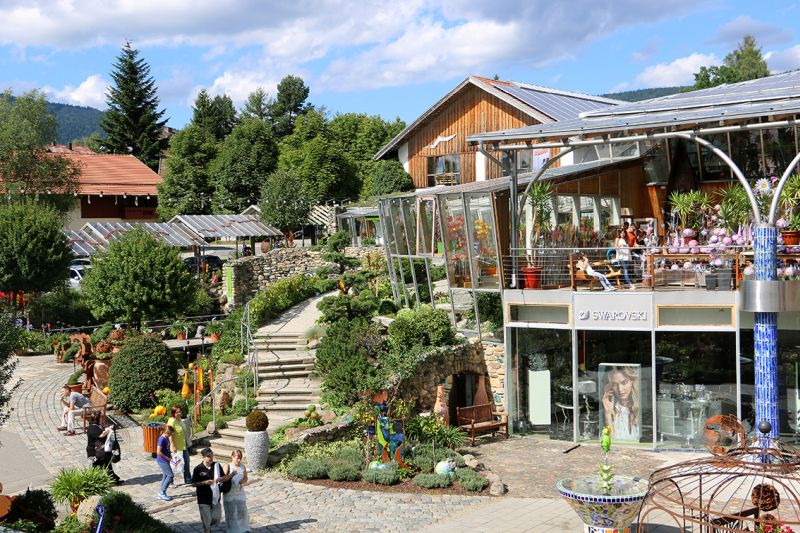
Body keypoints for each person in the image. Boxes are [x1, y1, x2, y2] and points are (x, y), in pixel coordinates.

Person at [192, 448, 234, 533]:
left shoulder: (217, 465)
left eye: (212, 455)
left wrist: (224, 478)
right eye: (208, 456)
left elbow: (223, 477)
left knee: (216, 519)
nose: (211, 458)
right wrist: (204, 482)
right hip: (203, 499)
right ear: (203, 457)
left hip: (215, 498)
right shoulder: (198, 469)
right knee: (207, 525)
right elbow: (194, 484)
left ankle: (208, 525)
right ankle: (207, 529)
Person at [602, 366, 641, 441]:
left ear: (632, 381)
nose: (620, 389)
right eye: (614, 384)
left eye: (624, 382)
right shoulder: (612, 411)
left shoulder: (641, 407)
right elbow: (610, 444)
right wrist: (607, 413)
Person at [86, 412, 122, 484]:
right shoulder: (92, 428)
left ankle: (113, 480)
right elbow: (101, 435)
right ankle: (95, 482)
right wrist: (109, 429)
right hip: (95, 451)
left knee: (106, 465)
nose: (103, 419)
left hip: (99, 450)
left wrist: (107, 428)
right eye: (102, 417)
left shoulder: (95, 426)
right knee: (98, 467)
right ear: (98, 418)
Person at [223, 449, 250, 533]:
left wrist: (242, 481)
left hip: (239, 492)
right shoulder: (227, 466)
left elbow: (246, 478)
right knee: (230, 513)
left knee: (242, 511)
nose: (238, 460)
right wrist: (231, 475)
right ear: (232, 457)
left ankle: (243, 529)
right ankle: (232, 530)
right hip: (229, 493)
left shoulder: (242, 466)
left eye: (240, 458)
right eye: (237, 458)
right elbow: (223, 479)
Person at [167, 406, 191, 484]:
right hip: (176, 447)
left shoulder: (179, 420)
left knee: (186, 463)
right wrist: (173, 446)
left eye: (180, 411)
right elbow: (169, 434)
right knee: (174, 465)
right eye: (177, 412)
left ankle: (188, 479)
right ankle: (170, 481)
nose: (180, 413)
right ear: (173, 413)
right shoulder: (171, 421)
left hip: (183, 446)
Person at [156, 425, 174, 501]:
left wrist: (170, 455)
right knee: (170, 475)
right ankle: (162, 492)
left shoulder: (166, 438)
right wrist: (167, 458)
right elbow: (158, 452)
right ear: (165, 432)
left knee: (165, 475)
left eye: (171, 433)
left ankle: (162, 491)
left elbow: (166, 449)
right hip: (162, 461)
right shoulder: (161, 439)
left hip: (166, 460)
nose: (170, 435)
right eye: (169, 433)